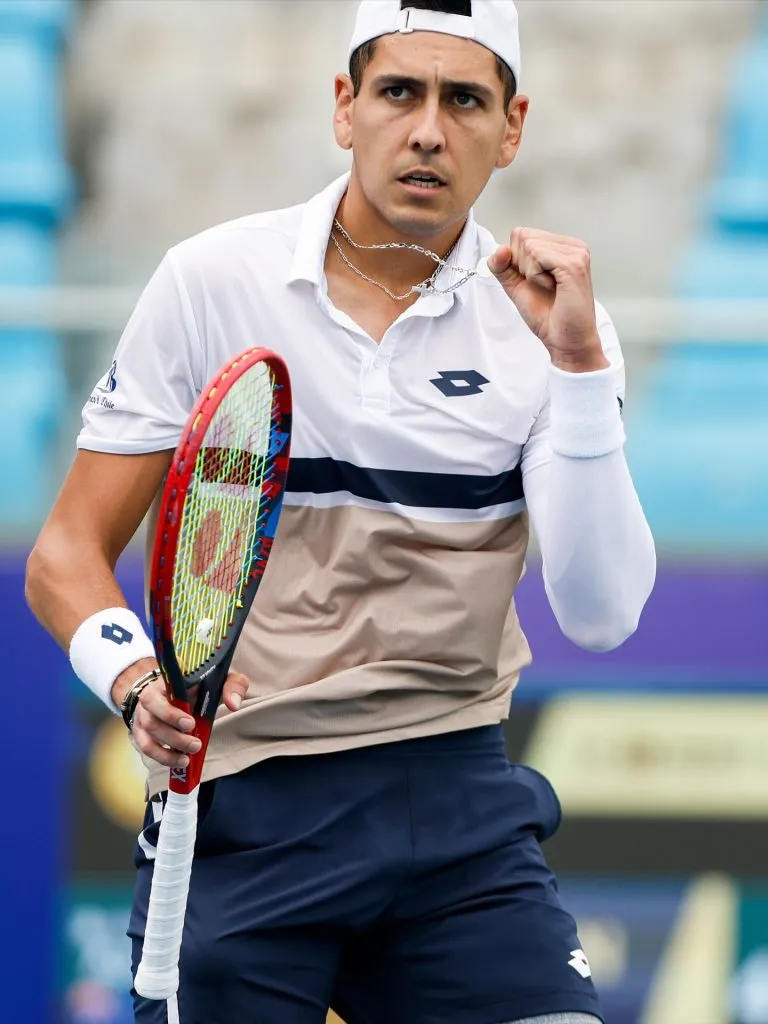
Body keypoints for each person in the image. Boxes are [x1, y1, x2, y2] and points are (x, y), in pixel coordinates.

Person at [27, 1, 656, 1022]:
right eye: (399, 92)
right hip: (246, 806)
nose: (427, 130)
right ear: (343, 107)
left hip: (458, 813)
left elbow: (602, 614)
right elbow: (65, 552)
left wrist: (579, 367)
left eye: (465, 102)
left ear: (512, 129)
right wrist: (136, 682)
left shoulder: (555, 324)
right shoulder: (210, 280)